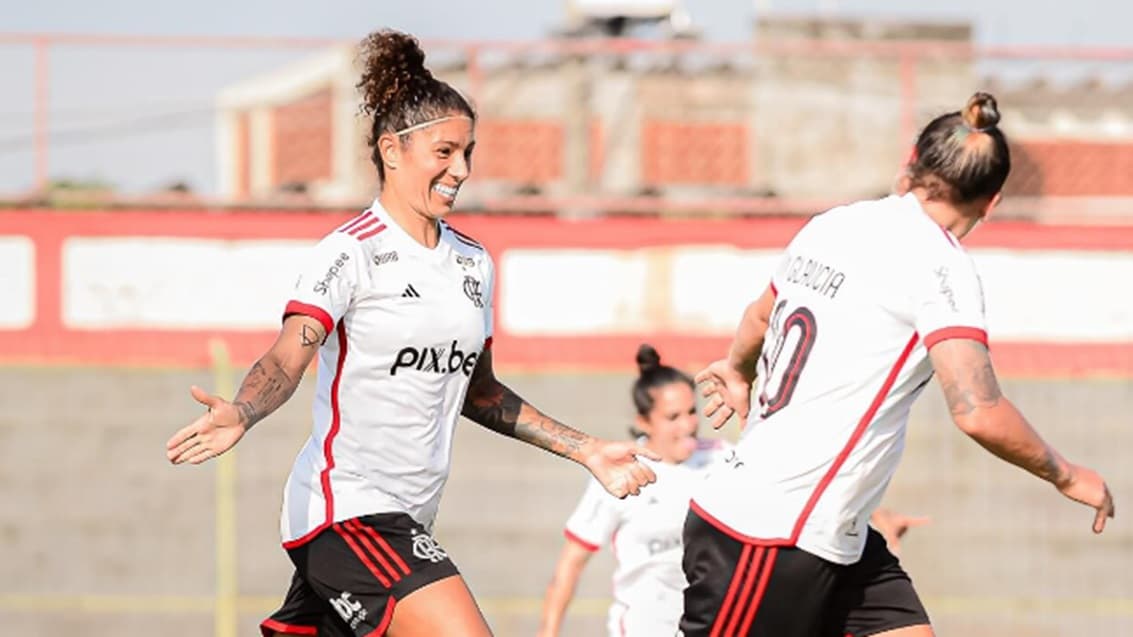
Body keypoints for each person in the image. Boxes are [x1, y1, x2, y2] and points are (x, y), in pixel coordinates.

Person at [164, 29, 658, 637]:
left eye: (469, 153)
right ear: (392, 150)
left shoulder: (474, 263)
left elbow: (480, 395)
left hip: (406, 520)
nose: (462, 170)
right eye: (445, 152)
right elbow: (290, 354)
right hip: (346, 513)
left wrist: (586, 450)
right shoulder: (350, 253)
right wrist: (242, 410)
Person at [685, 92, 1115, 637]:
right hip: (767, 532)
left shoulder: (834, 223)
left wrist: (738, 368)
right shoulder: (940, 266)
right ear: (992, 202)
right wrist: (1067, 475)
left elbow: (760, 315)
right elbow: (977, 409)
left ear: (910, 162)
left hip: (832, 532)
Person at [537, 346, 928, 637]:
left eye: (692, 412)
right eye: (672, 417)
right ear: (644, 420)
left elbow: (794, 488)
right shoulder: (619, 473)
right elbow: (569, 566)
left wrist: (877, 515)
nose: (688, 425)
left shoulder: (723, 458)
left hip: (711, 622)